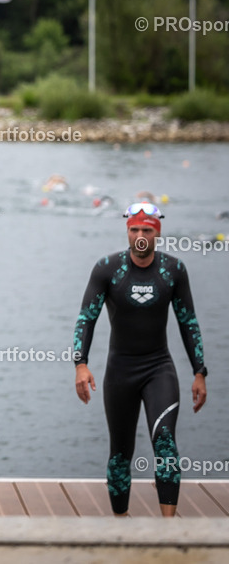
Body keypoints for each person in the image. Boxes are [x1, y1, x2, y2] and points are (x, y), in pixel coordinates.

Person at [73, 202, 208, 517]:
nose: (140, 236)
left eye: (147, 230)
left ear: (157, 233)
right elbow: (85, 319)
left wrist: (199, 371)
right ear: (127, 231)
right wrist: (80, 364)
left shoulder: (174, 270)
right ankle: (121, 522)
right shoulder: (107, 269)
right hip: (120, 371)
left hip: (158, 368)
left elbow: (189, 322)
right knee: (121, 452)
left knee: (164, 442)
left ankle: (168, 529)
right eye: (134, 229)